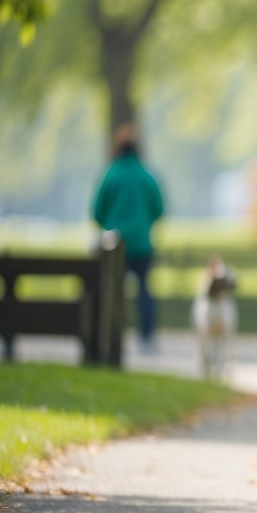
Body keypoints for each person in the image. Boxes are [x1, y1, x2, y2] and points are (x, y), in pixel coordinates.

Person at [92, 123, 165, 351]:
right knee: (143, 288)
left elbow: (96, 211)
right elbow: (159, 208)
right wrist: (143, 225)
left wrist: (110, 225)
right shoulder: (146, 175)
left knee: (112, 289)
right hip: (142, 243)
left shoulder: (110, 175)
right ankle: (146, 336)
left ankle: (111, 333)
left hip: (114, 244)